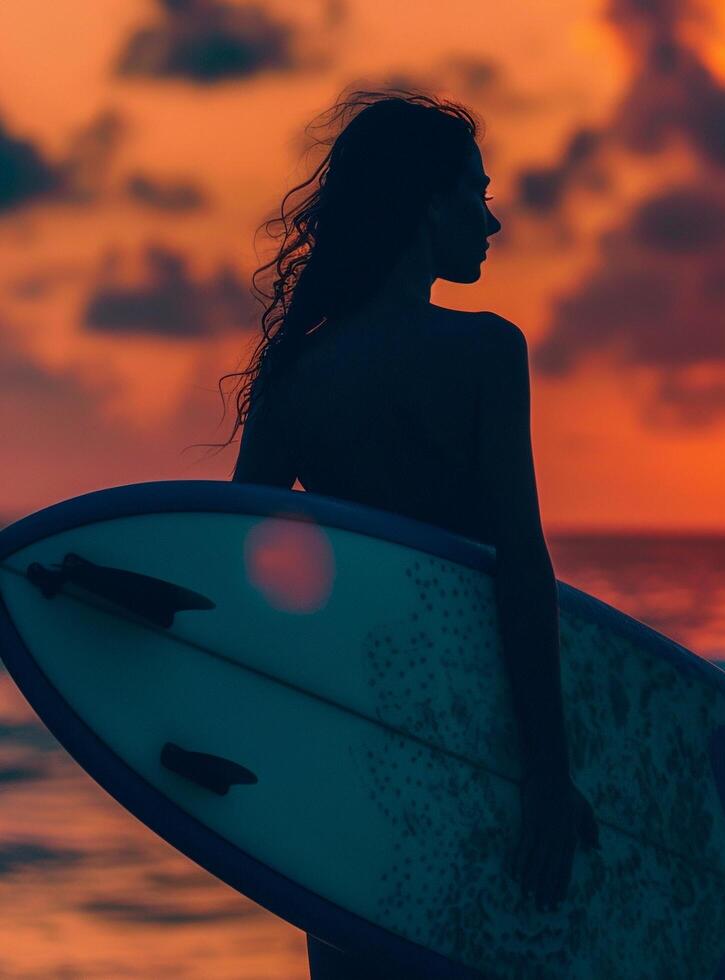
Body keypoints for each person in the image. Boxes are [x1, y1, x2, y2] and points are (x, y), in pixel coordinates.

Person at [216, 88, 598, 978]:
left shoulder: (297, 376)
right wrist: (547, 771)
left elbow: (238, 568)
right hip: (479, 747)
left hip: (354, 758)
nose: (493, 220)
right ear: (429, 205)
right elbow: (518, 565)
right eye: (477, 192)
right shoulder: (485, 354)